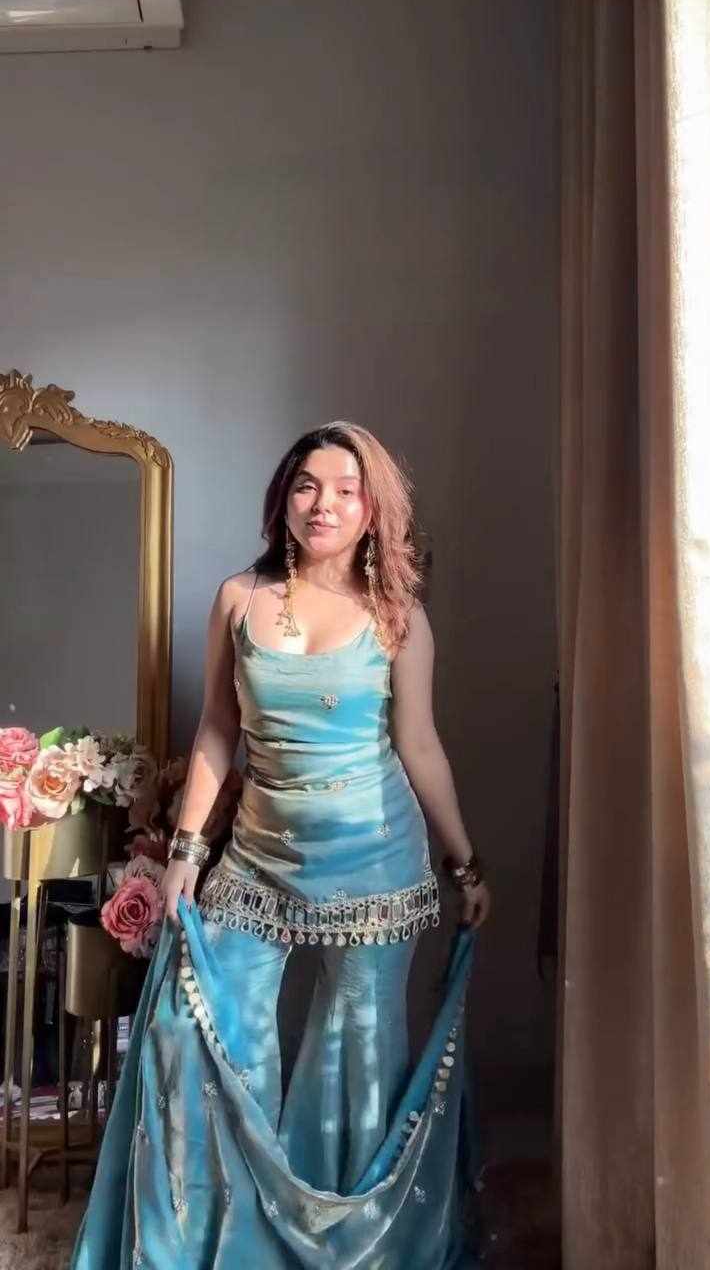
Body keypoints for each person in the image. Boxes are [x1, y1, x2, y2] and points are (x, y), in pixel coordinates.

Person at [70, 421, 491, 1269]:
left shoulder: (398, 616)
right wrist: (185, 852)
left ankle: (343, 1252)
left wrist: (464, 861)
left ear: (373, 509)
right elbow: (217, 733)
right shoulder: (240, 597)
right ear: (283, 500)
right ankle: (225, 1240)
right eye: (307, 485)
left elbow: (419, 745)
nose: (323, 504)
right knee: (198, 1029)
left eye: (345, 490)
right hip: (257, 858)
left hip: (375, 863)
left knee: (354, 1061)